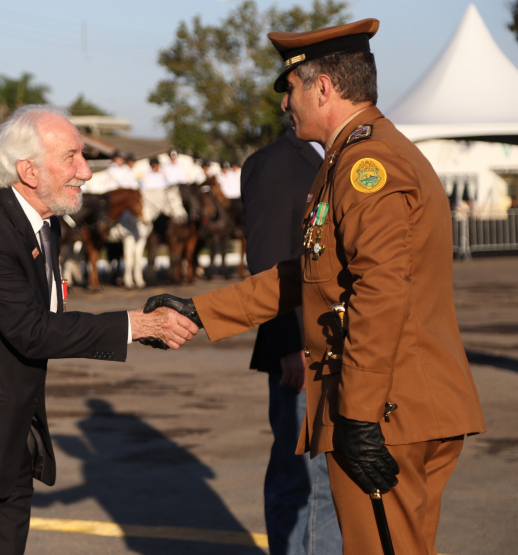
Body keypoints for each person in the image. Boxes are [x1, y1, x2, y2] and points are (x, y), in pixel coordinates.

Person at [145, 18, 485, 555]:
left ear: (322, 88)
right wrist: (200, 310)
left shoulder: (366, 165)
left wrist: (359, 414)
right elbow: (307, 276)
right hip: (396, 404)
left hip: (386, 410)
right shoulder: (348, 160)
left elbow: (380, 292)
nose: (285, 105)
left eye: (291, 89)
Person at [0, 105, 198, 555]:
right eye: (71, 157)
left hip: (10, 441)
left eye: (83, 157)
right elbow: (32, 330)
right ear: (28, 170)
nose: (86, 173)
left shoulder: (43, 225)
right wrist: (136, 325)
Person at [241, 127, 341, 554]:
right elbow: (268, 263)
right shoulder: (275, 163)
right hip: (300, 351)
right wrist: (287, 345)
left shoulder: (344, 157)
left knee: (332, 480)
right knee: (301, 478)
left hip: (341, 351)